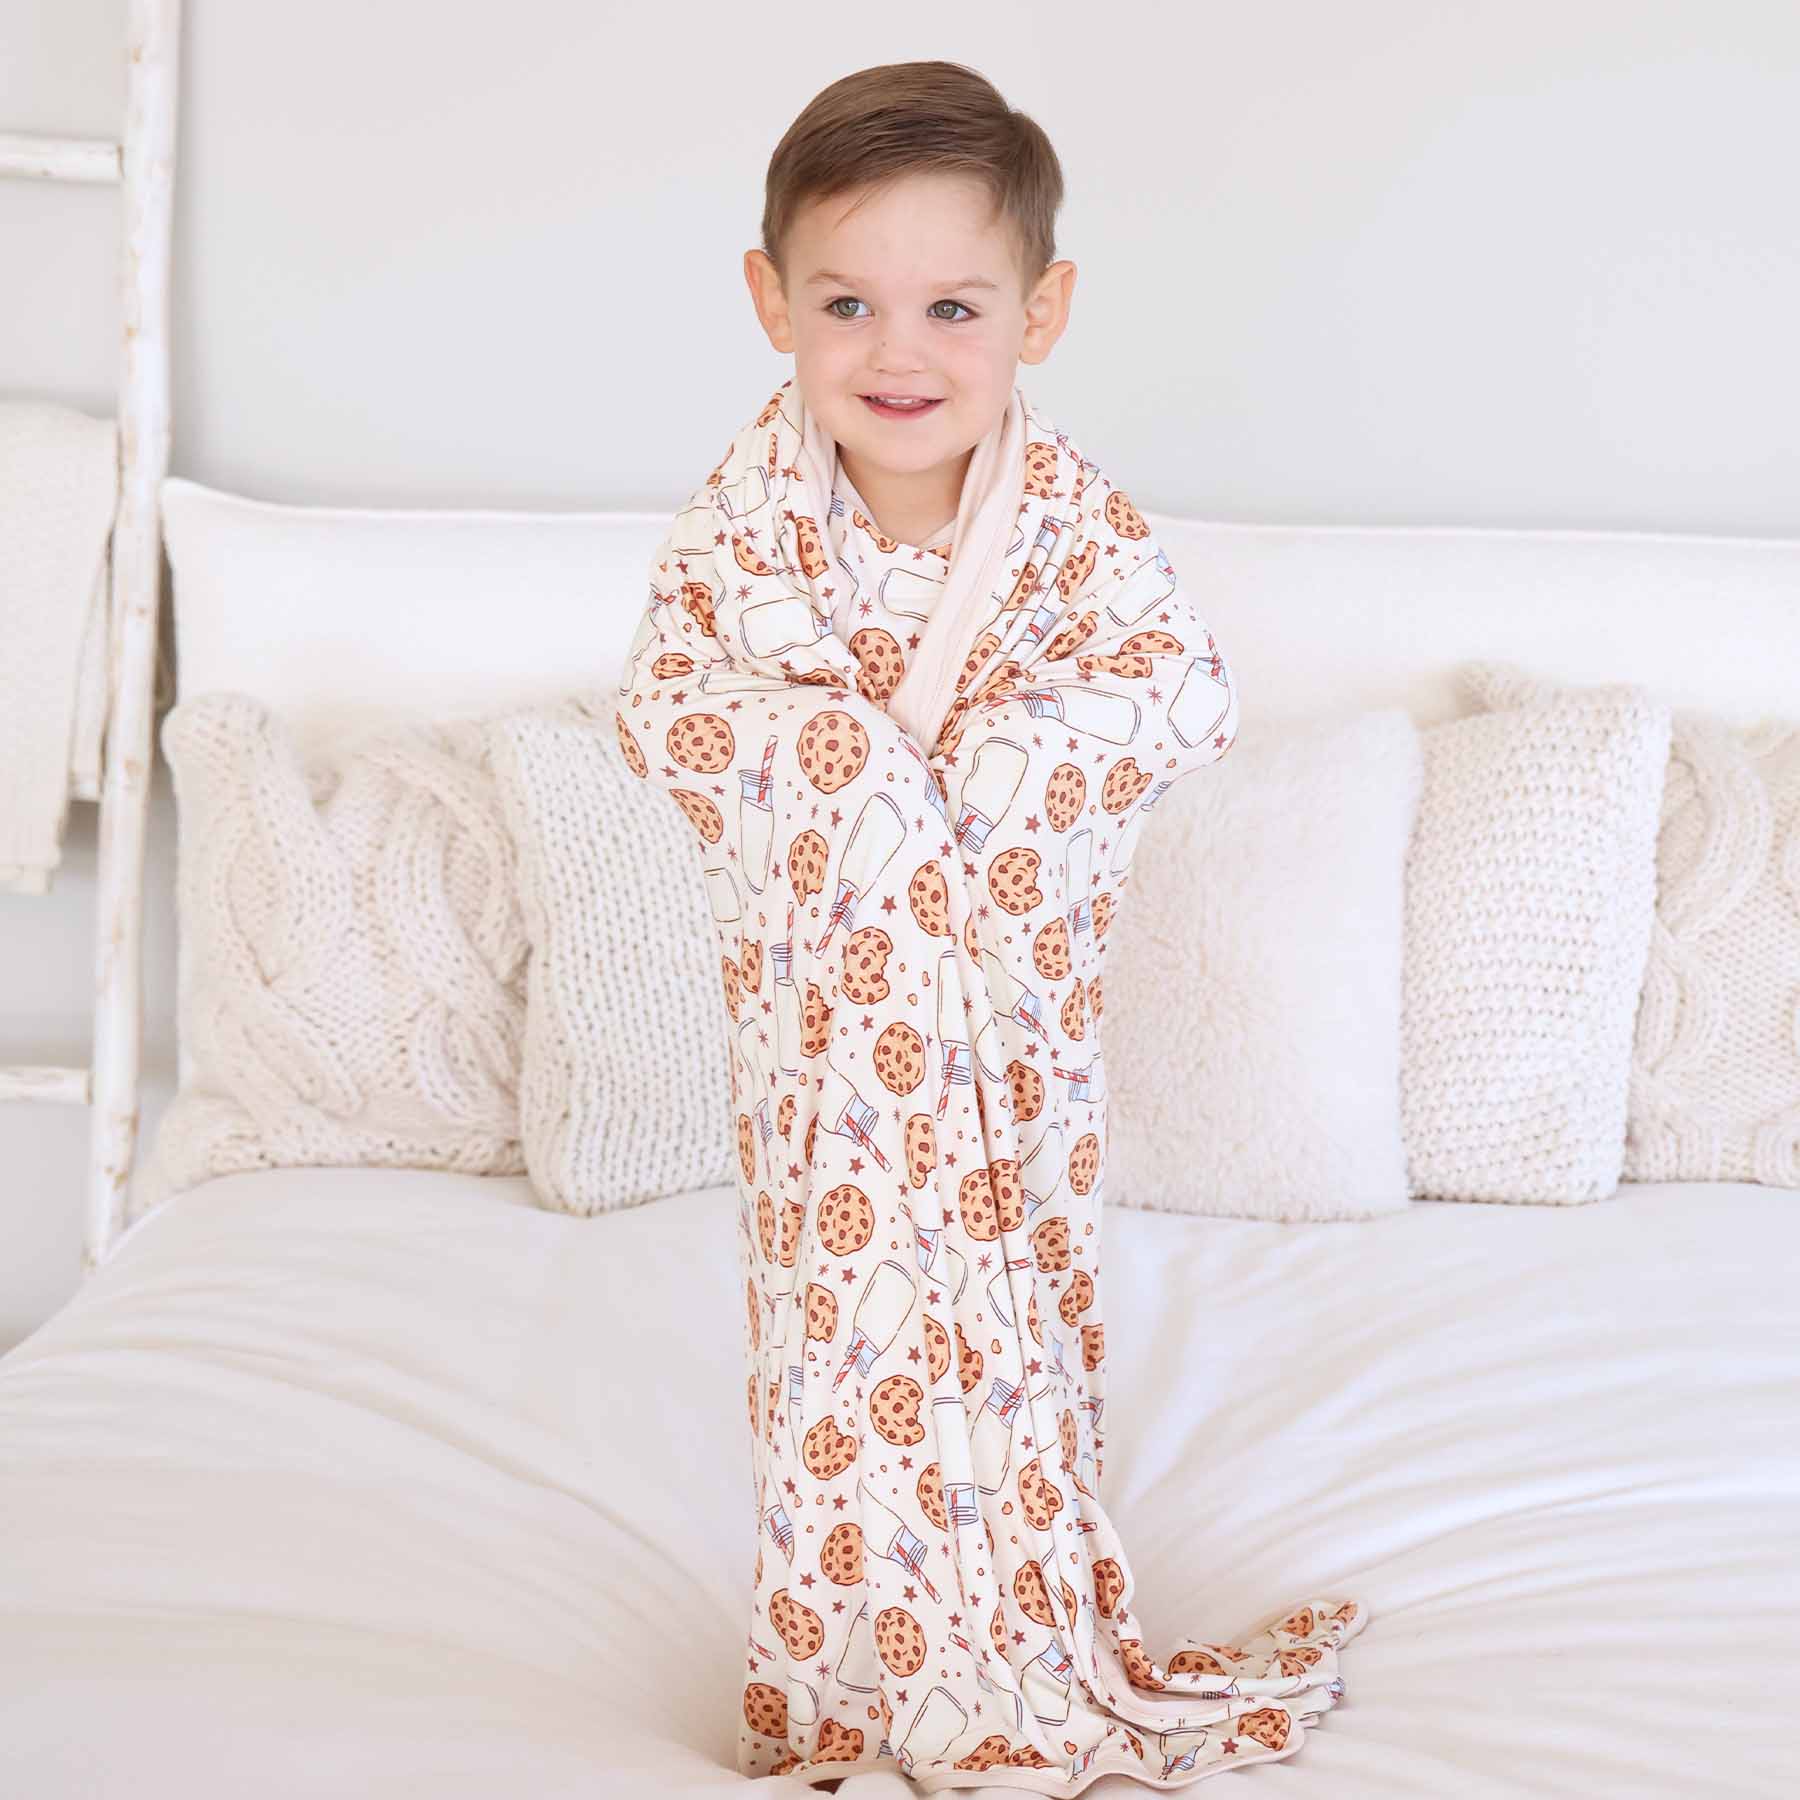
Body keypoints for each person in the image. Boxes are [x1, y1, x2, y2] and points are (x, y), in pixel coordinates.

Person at [615, 59, 1366, 1791]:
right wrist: (849, 776)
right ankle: (849, 1679)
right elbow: (674, 708)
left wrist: (996, 767)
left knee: (1010, 1320)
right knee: (838, 1337)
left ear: (1043, 313)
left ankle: (1017, 1636)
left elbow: (1174, 693)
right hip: (825, 1044)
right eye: (848, 303)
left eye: (953, 306)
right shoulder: (743, 526)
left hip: (1011, 1035)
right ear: (770, 304)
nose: (900, 351)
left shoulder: (1075, 527)